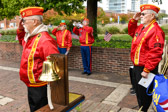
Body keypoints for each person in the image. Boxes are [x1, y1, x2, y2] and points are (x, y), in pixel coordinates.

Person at [17, 7, 59, 112]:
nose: (23, 23)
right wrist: (20, 29)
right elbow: (21, 40)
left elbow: (56, 65)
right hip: (31, 85)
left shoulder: (45, 40)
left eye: (24, 21)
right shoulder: (30, 37)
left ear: (35, 21)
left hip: (41, 87)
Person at [128, 4, 165, 112]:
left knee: (144, 94)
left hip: (146, 68)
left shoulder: (156, 30)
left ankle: (143, 109)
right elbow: (131, 32)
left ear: (152, 15)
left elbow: (155, 53)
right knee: (138, 91)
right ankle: (141, 107)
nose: (141, 16)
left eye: (143, 14)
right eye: (140, 14)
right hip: (137, 66)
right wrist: (133, 21)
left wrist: (147, 70)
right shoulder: (142, 27)